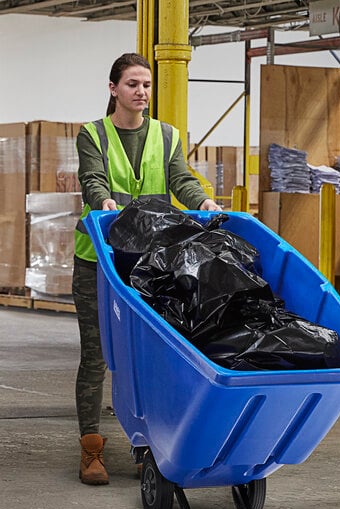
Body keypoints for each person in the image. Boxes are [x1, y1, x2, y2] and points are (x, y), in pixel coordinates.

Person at [73, 52, 219, 485]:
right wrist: (104, 202)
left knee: (148, 357)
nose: (141, 92)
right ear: (113, 89)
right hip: (97, 261)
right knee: (97, 355)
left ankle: (147, 446)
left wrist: (203, 202)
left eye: (147, 85)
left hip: (149, 264)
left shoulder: (166, 135)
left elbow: (183, 180)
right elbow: (92, 177)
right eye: (133, 84)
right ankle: (91, 449)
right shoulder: (92, 134)